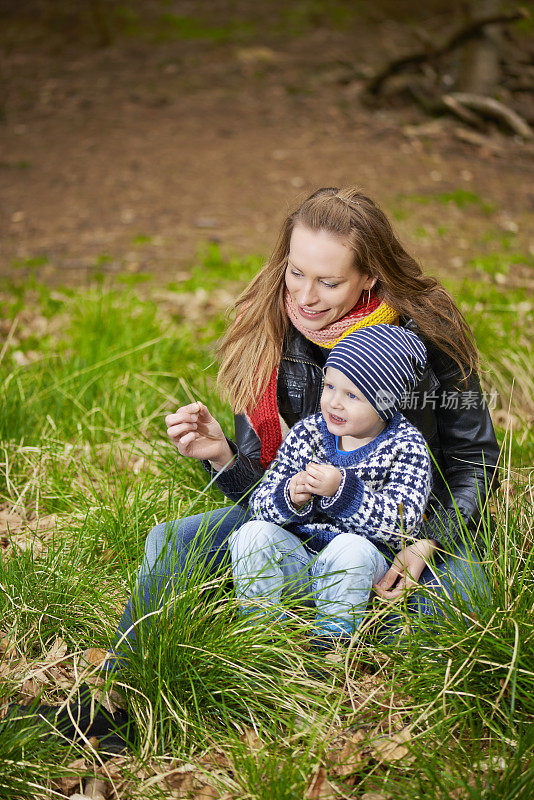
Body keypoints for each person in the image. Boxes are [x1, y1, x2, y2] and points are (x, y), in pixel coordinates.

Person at [111, 186, 500, 659]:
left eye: (329, 282)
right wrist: (222, 456)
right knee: (172, 543)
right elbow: (264, 495)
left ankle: (329, 636)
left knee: (466, 603)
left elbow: (473, 458)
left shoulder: (427, 326)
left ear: (370, 277)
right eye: (296, 272)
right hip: (302, 524)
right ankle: (122, 684)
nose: (306, 297)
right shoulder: (266, 327)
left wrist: (427, 543)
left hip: (409, 527)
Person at [229, 324, 432, 646]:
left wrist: (344, 492)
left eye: (352, 395)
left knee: (350, 549)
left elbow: (402, 525)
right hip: (298, 558)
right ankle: (262, 634)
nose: (334, 403)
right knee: (252, 534)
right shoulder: (309, 432)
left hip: (357, 570)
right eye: (329, 386)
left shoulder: (405, 447)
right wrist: (290, 496)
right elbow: (261, 503)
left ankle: (333, 644)